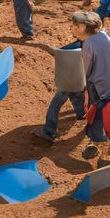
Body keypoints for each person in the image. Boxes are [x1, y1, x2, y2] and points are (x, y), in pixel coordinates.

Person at [77, 10, 110, 166]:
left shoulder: (95, 42)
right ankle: (100, 145)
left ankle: (108, 151)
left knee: (105, 115)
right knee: (101, 115)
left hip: (103, 88)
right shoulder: (107, 39)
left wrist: (86, 89)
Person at [33, 14, 88, 143]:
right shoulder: (92, 41)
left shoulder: (79, 45)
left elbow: (61, 52)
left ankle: (48, 131)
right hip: (81, 78)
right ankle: (82, 114)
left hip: (69, 78)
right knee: (77, 94)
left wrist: (45, 47)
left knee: (56, 103)